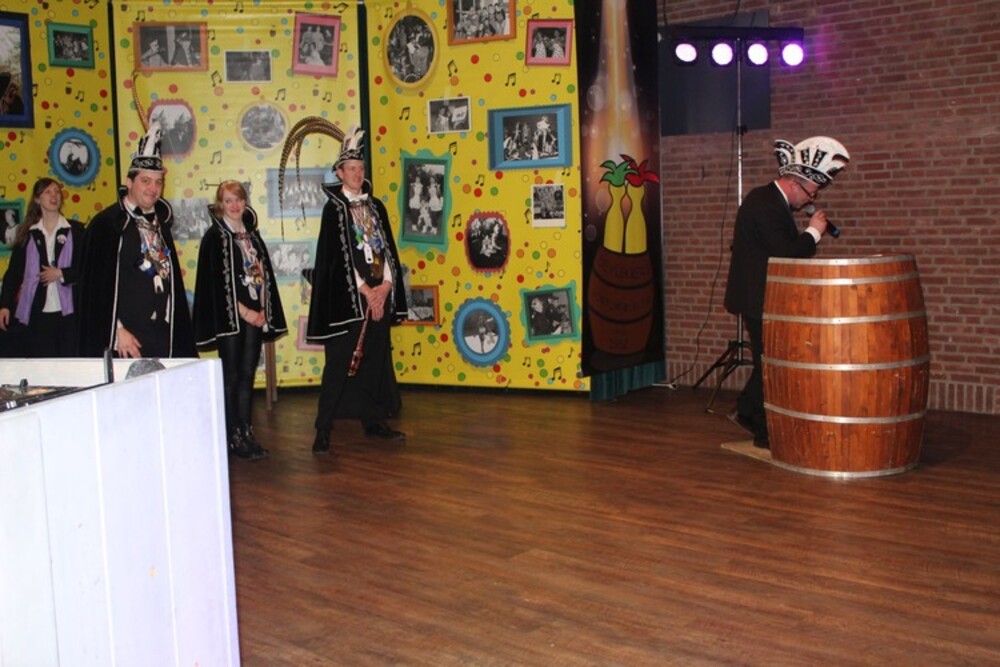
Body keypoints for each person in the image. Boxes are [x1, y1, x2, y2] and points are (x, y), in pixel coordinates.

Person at [724, 136, 850, 448]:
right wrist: (814, 233)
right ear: (794, 183)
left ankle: (748, 411)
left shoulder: (770, 201)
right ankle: (762, 430)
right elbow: (785, 253)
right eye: (810, 193)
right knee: (770, 364)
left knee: (768, 361)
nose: (810, 200)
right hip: (758, 298)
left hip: (763, 297)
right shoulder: (766, 204)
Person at [304, 124, 408, 454]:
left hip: (380, 295)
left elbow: (387, 251)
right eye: (351, 168)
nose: (357, 173)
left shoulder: (375, 206)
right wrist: (366, 291)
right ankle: (323, 429)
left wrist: (386, 287)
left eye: (361, 168)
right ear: (340, 172)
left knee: (376, 360)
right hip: (349, 300)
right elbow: (336, 259)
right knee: (339, 363)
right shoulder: (333, 210)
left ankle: (373, 421)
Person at [79, 122, 197, 359]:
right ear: (129, 182)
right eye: (145, 181)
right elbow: (93, 289)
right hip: (125, 339)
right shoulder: (107, 225)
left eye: (158, 182)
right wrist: (117, 331)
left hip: (161, 334)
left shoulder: (161, 225)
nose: (153, 188)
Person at [194, 180, 287, 460]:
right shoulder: (215, 237)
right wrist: (245, 312)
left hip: (254, 316)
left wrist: (263, 310)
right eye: (228, 200)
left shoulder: (251, 237)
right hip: (231, 318)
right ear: (220, 204)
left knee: (247, 375)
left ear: (245, 202)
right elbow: (215, 284)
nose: (234, 205)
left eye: (238, 199)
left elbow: (262, 276)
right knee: (231, 376)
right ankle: (231, 435)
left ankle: (246, 431)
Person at [0, 178, 85, 357]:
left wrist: (61, 273)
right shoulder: (28, 234)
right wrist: (5, 305)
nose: (54, 196)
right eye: (48, 192)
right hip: (37, 313)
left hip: (70, 314)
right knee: (42, 363)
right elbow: (14, 273)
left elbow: (87, 268)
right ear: (37, 199)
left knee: (69, 363)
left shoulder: (76, 230)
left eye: (57, 191)